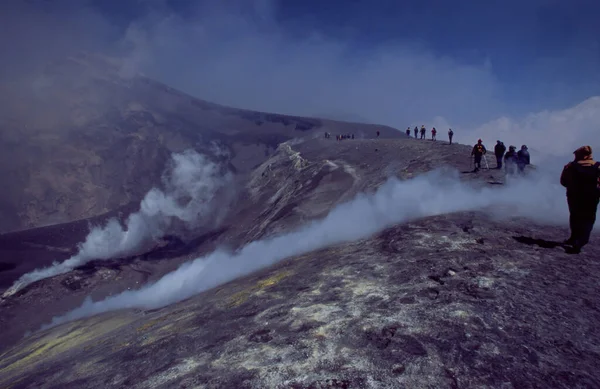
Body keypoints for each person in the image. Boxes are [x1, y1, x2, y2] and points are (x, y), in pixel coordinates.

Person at [560, 146, 600, 253]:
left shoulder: (570, 166)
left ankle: (574, 238)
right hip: (592, 198)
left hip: (574, 197)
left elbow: (563, 181)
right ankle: (581, 241)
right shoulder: (598, 166)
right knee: (588, 219)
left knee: (575, 217)